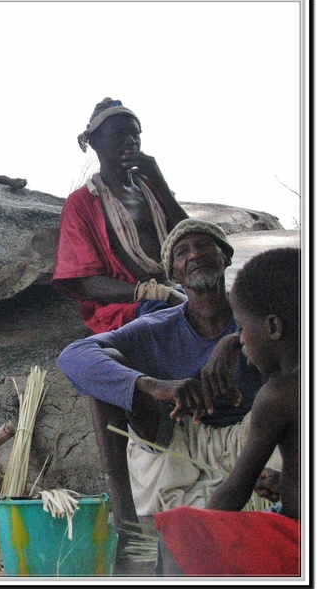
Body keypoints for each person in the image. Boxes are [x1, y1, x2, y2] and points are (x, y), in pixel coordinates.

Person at [56, 219, 269, 565]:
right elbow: (73, 356)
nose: (195, 255)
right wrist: (156, 386)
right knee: (108, 369)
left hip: (253, 434)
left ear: (226, 258)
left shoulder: (261, 314)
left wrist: (236, 340)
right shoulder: (159, 325)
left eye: (204, 246)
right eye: (182, 252)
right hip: (179, 438)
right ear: (174, 275)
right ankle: (124, 520)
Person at [154, 247, 300, 576]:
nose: (242, 342)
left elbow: (236, 490)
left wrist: (202, 532)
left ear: (274, 327)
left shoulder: (278, 394)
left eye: (243, 330)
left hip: (304, 543)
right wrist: (289, 481)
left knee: (180, 535)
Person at [52, 97, 189, 333]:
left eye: (135, 134)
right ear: (94, 142)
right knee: (174, 321)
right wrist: (158, 293)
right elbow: (90, 283)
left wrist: (161, 184)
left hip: (175, 289)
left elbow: (194, 240)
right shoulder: (81, 203)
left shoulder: (153, 190)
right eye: (118, 135)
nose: (130, 141)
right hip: (126, 307)